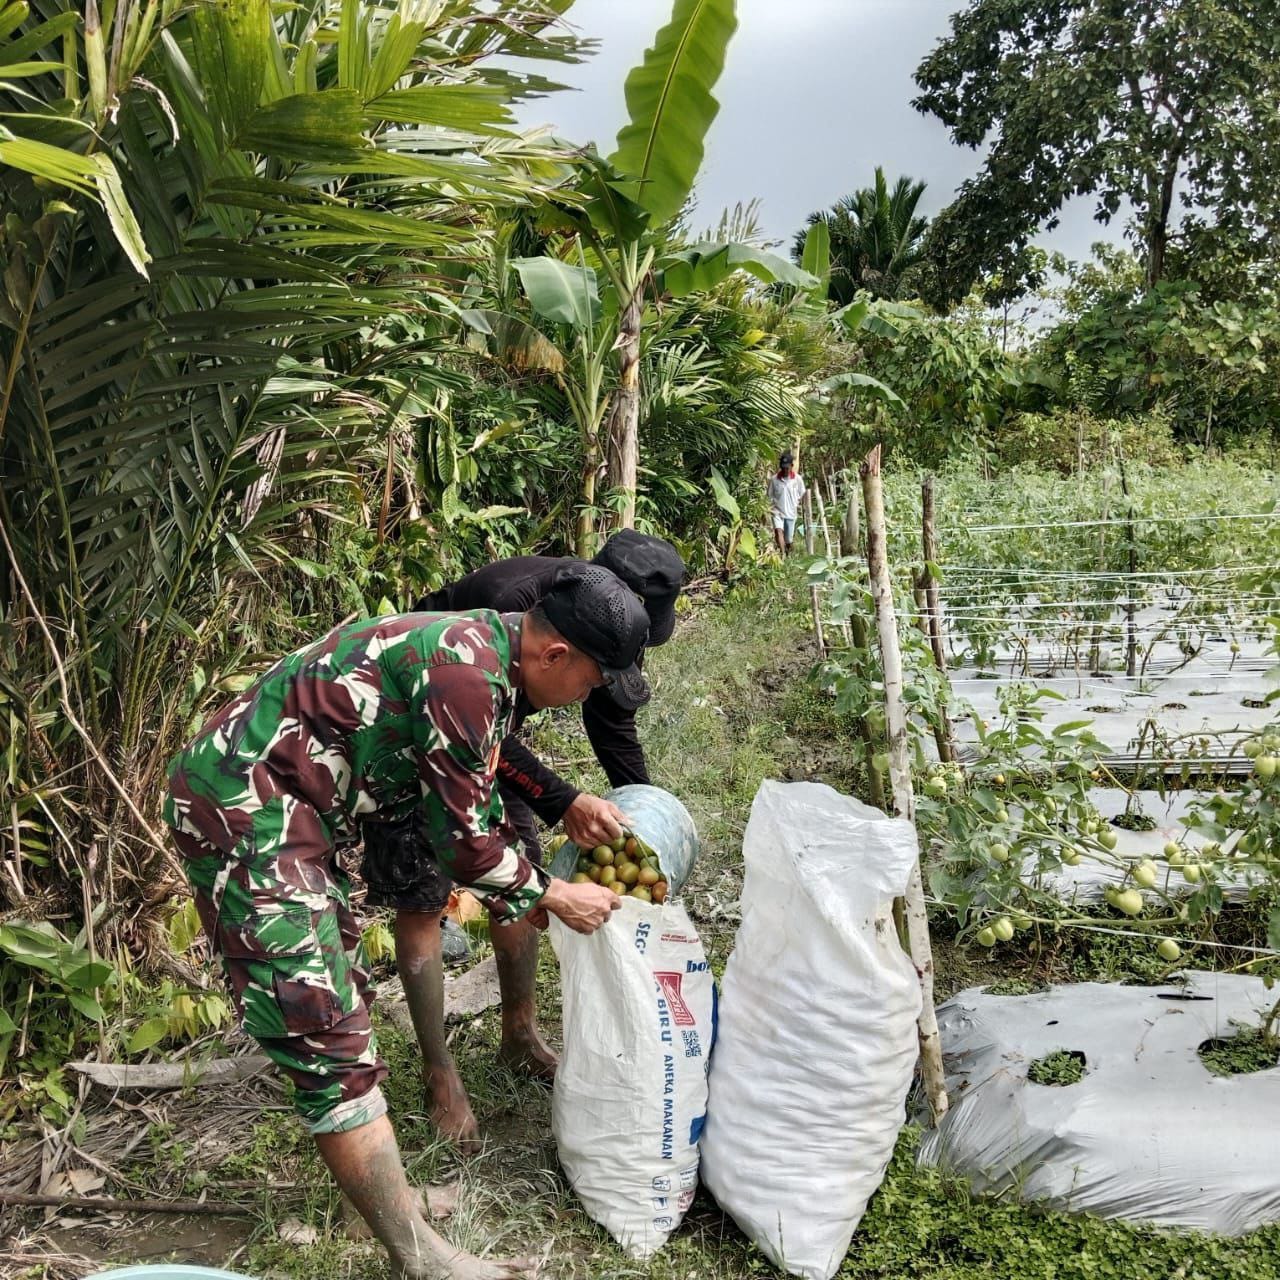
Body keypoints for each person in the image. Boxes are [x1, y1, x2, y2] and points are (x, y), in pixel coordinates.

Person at [164, 566, 649, 1280]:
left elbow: (471, 810)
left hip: (293, 811)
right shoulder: (467, 677)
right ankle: (424, 1260)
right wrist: (552, 895)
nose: (587, 696)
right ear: (555, 655)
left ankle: (381, 1199)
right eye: (591, 682)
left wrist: (537, 870)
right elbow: (466, 848)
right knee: (324, 1029)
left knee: (341, 989)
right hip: (245, 811)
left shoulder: (487, 656)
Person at [365, 530, 685, 1149]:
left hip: (483, 733)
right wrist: (560, 807)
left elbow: (611, 724)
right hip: (409, 735)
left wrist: (641, 820)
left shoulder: (600, 628)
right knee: (425, 892)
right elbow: (469, 733)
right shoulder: (509, 612)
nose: (594, 689)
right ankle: (439, 1073)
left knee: (521, 866)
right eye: (592, 678)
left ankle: (519, 1034)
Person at [768, 450, 806, 555]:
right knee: (778, 531)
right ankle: (783, 555)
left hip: (791, 513)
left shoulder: (797, 479)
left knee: (788, 539)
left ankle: (788, 553)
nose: (785, 470)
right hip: (777, 511)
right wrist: (770, 507)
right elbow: (769, 495)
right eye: (783, 467)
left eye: (787, 468)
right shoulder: (774, 480)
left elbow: (802, 493)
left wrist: (798, 504)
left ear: (792, 466)